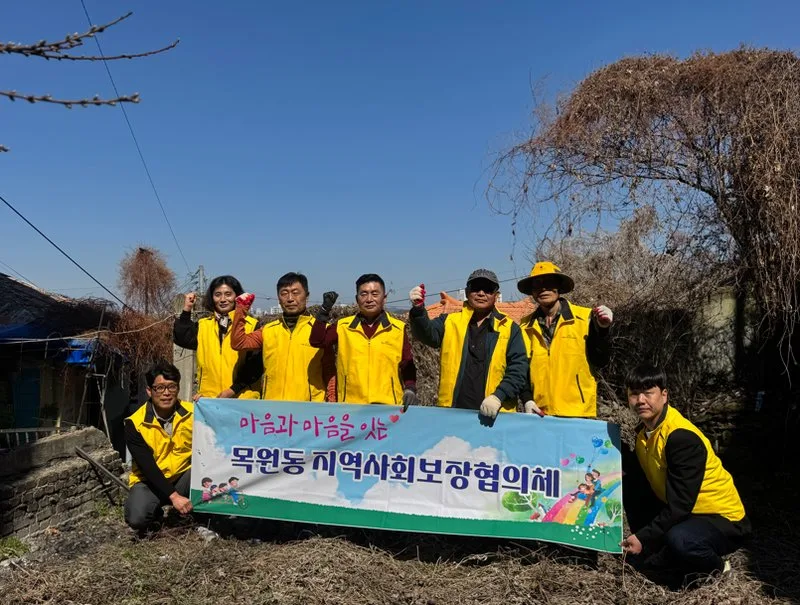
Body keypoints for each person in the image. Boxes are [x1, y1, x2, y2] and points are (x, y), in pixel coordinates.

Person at [620, 364, 750, 578]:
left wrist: (643, 536)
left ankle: (718, 567)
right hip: (685, 511)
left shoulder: (681, 437)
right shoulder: (644, 433)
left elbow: (681, 505)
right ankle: (660, 550)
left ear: (664, 395)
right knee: (630, 482)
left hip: (722, 518)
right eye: (634, 394)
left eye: (648, 393)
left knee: (681, 540)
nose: (640, 400)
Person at [408, 269, 528, 418]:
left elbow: (518, 369)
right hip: (453, 412)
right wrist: (418, 310)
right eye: (476, 288)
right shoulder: (449, 321)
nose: (481, 293)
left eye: (488, 289)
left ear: (496, 295)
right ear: (467, 291)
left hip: (495, 415)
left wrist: (498, 396)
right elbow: (426, 335)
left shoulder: (510, 328)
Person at [516, 261, 613, 417]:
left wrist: (602, 329)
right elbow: (521, 369)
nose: (543, 288)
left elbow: (601, 359)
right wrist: (527, 399)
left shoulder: (585, 318)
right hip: (540, 413)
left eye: (549, 283)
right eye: (537, 284)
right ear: (532, 291)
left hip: (579, 414)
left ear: (559, 287)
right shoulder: (524, 326)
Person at [309, 273, 417, 406]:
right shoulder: (343, 326)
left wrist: (410, 389)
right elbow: (317, 341)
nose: (369, 299)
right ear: (357, 299)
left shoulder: (397, 328)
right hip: (351, 407)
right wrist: (324, 311)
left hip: (388, 408)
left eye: (375, 294)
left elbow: (407, 364)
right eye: (364, 294)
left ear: (384, 298)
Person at [230, 272, 333, 401]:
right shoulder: (268, 330)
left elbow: (329, 370)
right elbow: (238, 343)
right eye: (284, 293)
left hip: (309, 411)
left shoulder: (320, 330)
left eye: (296, 293)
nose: (290, 298)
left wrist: (331, 404)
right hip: (274, 408)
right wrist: (241, 309)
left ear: (306, 296)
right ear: (278, 299)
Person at [124, 361, 194, 532]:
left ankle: (196, 514)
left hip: (183, 476)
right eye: (160, 388)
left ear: (178, 388)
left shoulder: (194, 413)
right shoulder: (135, 423)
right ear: (149, 391)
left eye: (171, 387)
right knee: (137, 518)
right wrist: (175, 497)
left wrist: (207, 404)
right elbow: (147, 466)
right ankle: (156, 512)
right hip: (149, 481)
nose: (166, 394)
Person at [173, 275, 263, 400]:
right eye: (217, 295)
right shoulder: (203, 325)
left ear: (237, 296)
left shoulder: (251, 325)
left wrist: (233, 390)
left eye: (228, 294)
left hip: (242, 400)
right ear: (211, 298)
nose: (223, 299)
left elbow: (256, 366)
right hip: (210, 399)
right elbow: (182, 338)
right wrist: (187, 309)